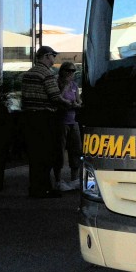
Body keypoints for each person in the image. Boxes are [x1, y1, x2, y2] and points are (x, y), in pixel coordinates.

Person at [20, 46, 65, 198]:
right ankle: (45, 188)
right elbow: (55, 97)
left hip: (29, 117)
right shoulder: (47, 74)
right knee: (47, 155)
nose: (54, 58)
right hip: (44, 118)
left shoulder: (28, 74)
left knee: (35, 155)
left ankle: (35, 188)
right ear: (46, 56)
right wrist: (71, 104)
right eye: (53, 55)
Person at [56, 62, 82, 192]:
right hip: (62, 121)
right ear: (63, 71)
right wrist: (65, 87)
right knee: (60, 150)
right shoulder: (58, 84)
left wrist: (77, 104)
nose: (71, 74)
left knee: (76, 149)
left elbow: (78, 100)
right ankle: (58, 179)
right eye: (69, 71)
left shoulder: (74, 85)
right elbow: (57, 99)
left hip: (73, 119)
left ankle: (74, 179)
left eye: (73, 71)